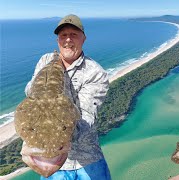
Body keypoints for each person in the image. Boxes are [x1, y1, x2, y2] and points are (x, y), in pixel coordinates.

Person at [25, 14, 111, 180]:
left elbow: (86, 117)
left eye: (73, 35)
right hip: (50, 159)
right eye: (63, 35)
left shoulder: (95, 73)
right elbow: (31, 93)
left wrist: (52, 140)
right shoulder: (45, 60)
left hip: (88, 159)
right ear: (58, 40)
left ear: (83, 39)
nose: (68, 40)